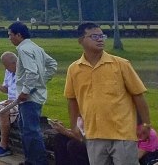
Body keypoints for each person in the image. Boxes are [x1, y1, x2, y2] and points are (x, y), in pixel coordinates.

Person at [64, 22, 151, 165]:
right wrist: (74, 126)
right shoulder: (74, 69)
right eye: (94, 36)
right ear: (81, 40)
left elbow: (138, 95)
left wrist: (146, 123)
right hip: (94, 134)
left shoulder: (121, 64)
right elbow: (72, 100)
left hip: (122, 133)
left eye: (102, 36)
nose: (100, 39)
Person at [7, 21, 58, 165]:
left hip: (29, 97)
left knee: (31, 131)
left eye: (10, 35)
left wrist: (26, 91)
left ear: (18, 35)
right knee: (25, 129)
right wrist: (42, 80)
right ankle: (31, 160)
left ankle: (38, 162)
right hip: (34, 94)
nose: (9, 38)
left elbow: (32, 72)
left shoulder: (24, 49)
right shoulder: (35, 47)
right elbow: (52, 64)